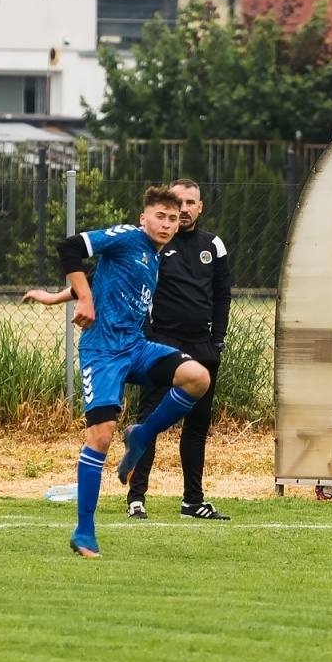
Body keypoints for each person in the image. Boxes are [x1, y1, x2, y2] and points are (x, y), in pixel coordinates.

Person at [22, 186, 211, 558]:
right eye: (160, 216)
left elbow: (102, 282)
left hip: (136, 347)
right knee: (102, 437)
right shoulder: (127, 237)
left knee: (197, 377)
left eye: (173, 219)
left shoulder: (156, 257)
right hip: (103, 353)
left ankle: (142, 434)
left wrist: (58, 295)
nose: (167, 223)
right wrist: (83, 300)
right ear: (144, 218)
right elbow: (70, 247)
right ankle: (84, 532)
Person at [125, 178, 232, 521]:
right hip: (162, 344)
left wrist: (217, 340)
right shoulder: (153, 244)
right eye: (178, 203)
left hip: (202, 344)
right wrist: (147, 339)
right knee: (150, 420)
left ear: (200, 207)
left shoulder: (213, 245)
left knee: (197, 426)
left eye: (190, 203)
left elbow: (222, 296)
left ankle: (192, 501)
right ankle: (136, 498)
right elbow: (138, 296)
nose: (183, 210)